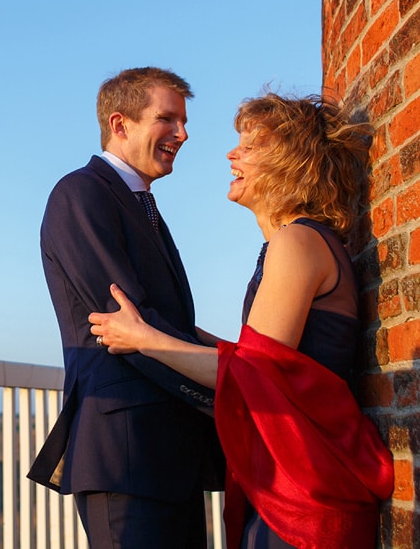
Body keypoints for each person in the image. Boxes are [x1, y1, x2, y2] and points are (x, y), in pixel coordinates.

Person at [89, 92, 394, 548]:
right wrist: (176, 326)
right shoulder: (294, 243)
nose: (232, 154)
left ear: (291, 161)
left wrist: (145, 339)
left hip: (306, 493)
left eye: (250, 146)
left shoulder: (298, 242)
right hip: (292, 480)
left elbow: (254, 374)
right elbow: (256, 358)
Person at [28, 67, 223, 548]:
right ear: (120, 124)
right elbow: (125, 323)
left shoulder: (142, 204)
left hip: (169, 454)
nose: (183, 133)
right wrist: (221, 389)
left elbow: (169, 324)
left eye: (183, 121)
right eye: (168, 119)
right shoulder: (80, 193)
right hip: (127, 454)